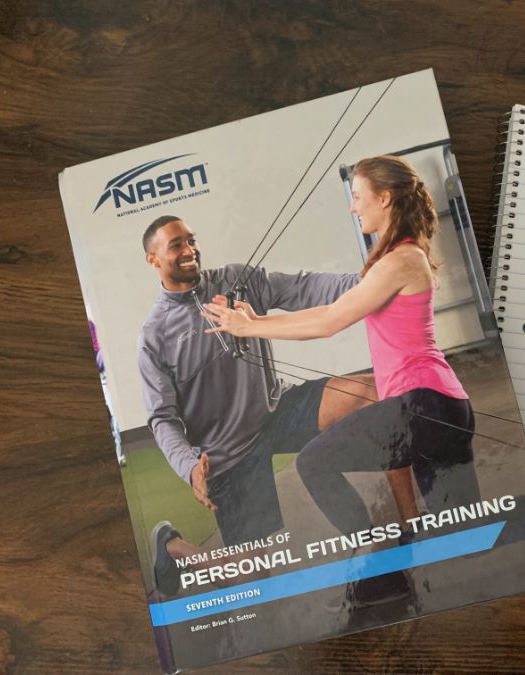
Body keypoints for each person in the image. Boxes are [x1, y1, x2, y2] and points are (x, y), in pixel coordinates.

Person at [202, 156, 481, 559]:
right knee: (465, 539)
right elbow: (327, 313)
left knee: (314, 462)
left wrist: (246, 328)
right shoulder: (398, 258)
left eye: (357, 197)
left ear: (384, 199)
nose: (353, 206)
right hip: (441, 409)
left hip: (422, 405)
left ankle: (376, 553)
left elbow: (330, 321)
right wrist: (257, 319)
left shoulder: (402, 260)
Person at [138, 214, 403, 595]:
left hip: (277, 410)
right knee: (255, 579)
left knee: (375, 391)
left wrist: (369, 282)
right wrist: (189, 467)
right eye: (176, 244)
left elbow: (301, 288)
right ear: (153, 259)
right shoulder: (154, 337)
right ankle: (174, 548)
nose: (189, 250)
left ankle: (384, 543)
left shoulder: (234, 280)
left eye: (191, 240)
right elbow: (162, 419)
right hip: (228, 454)